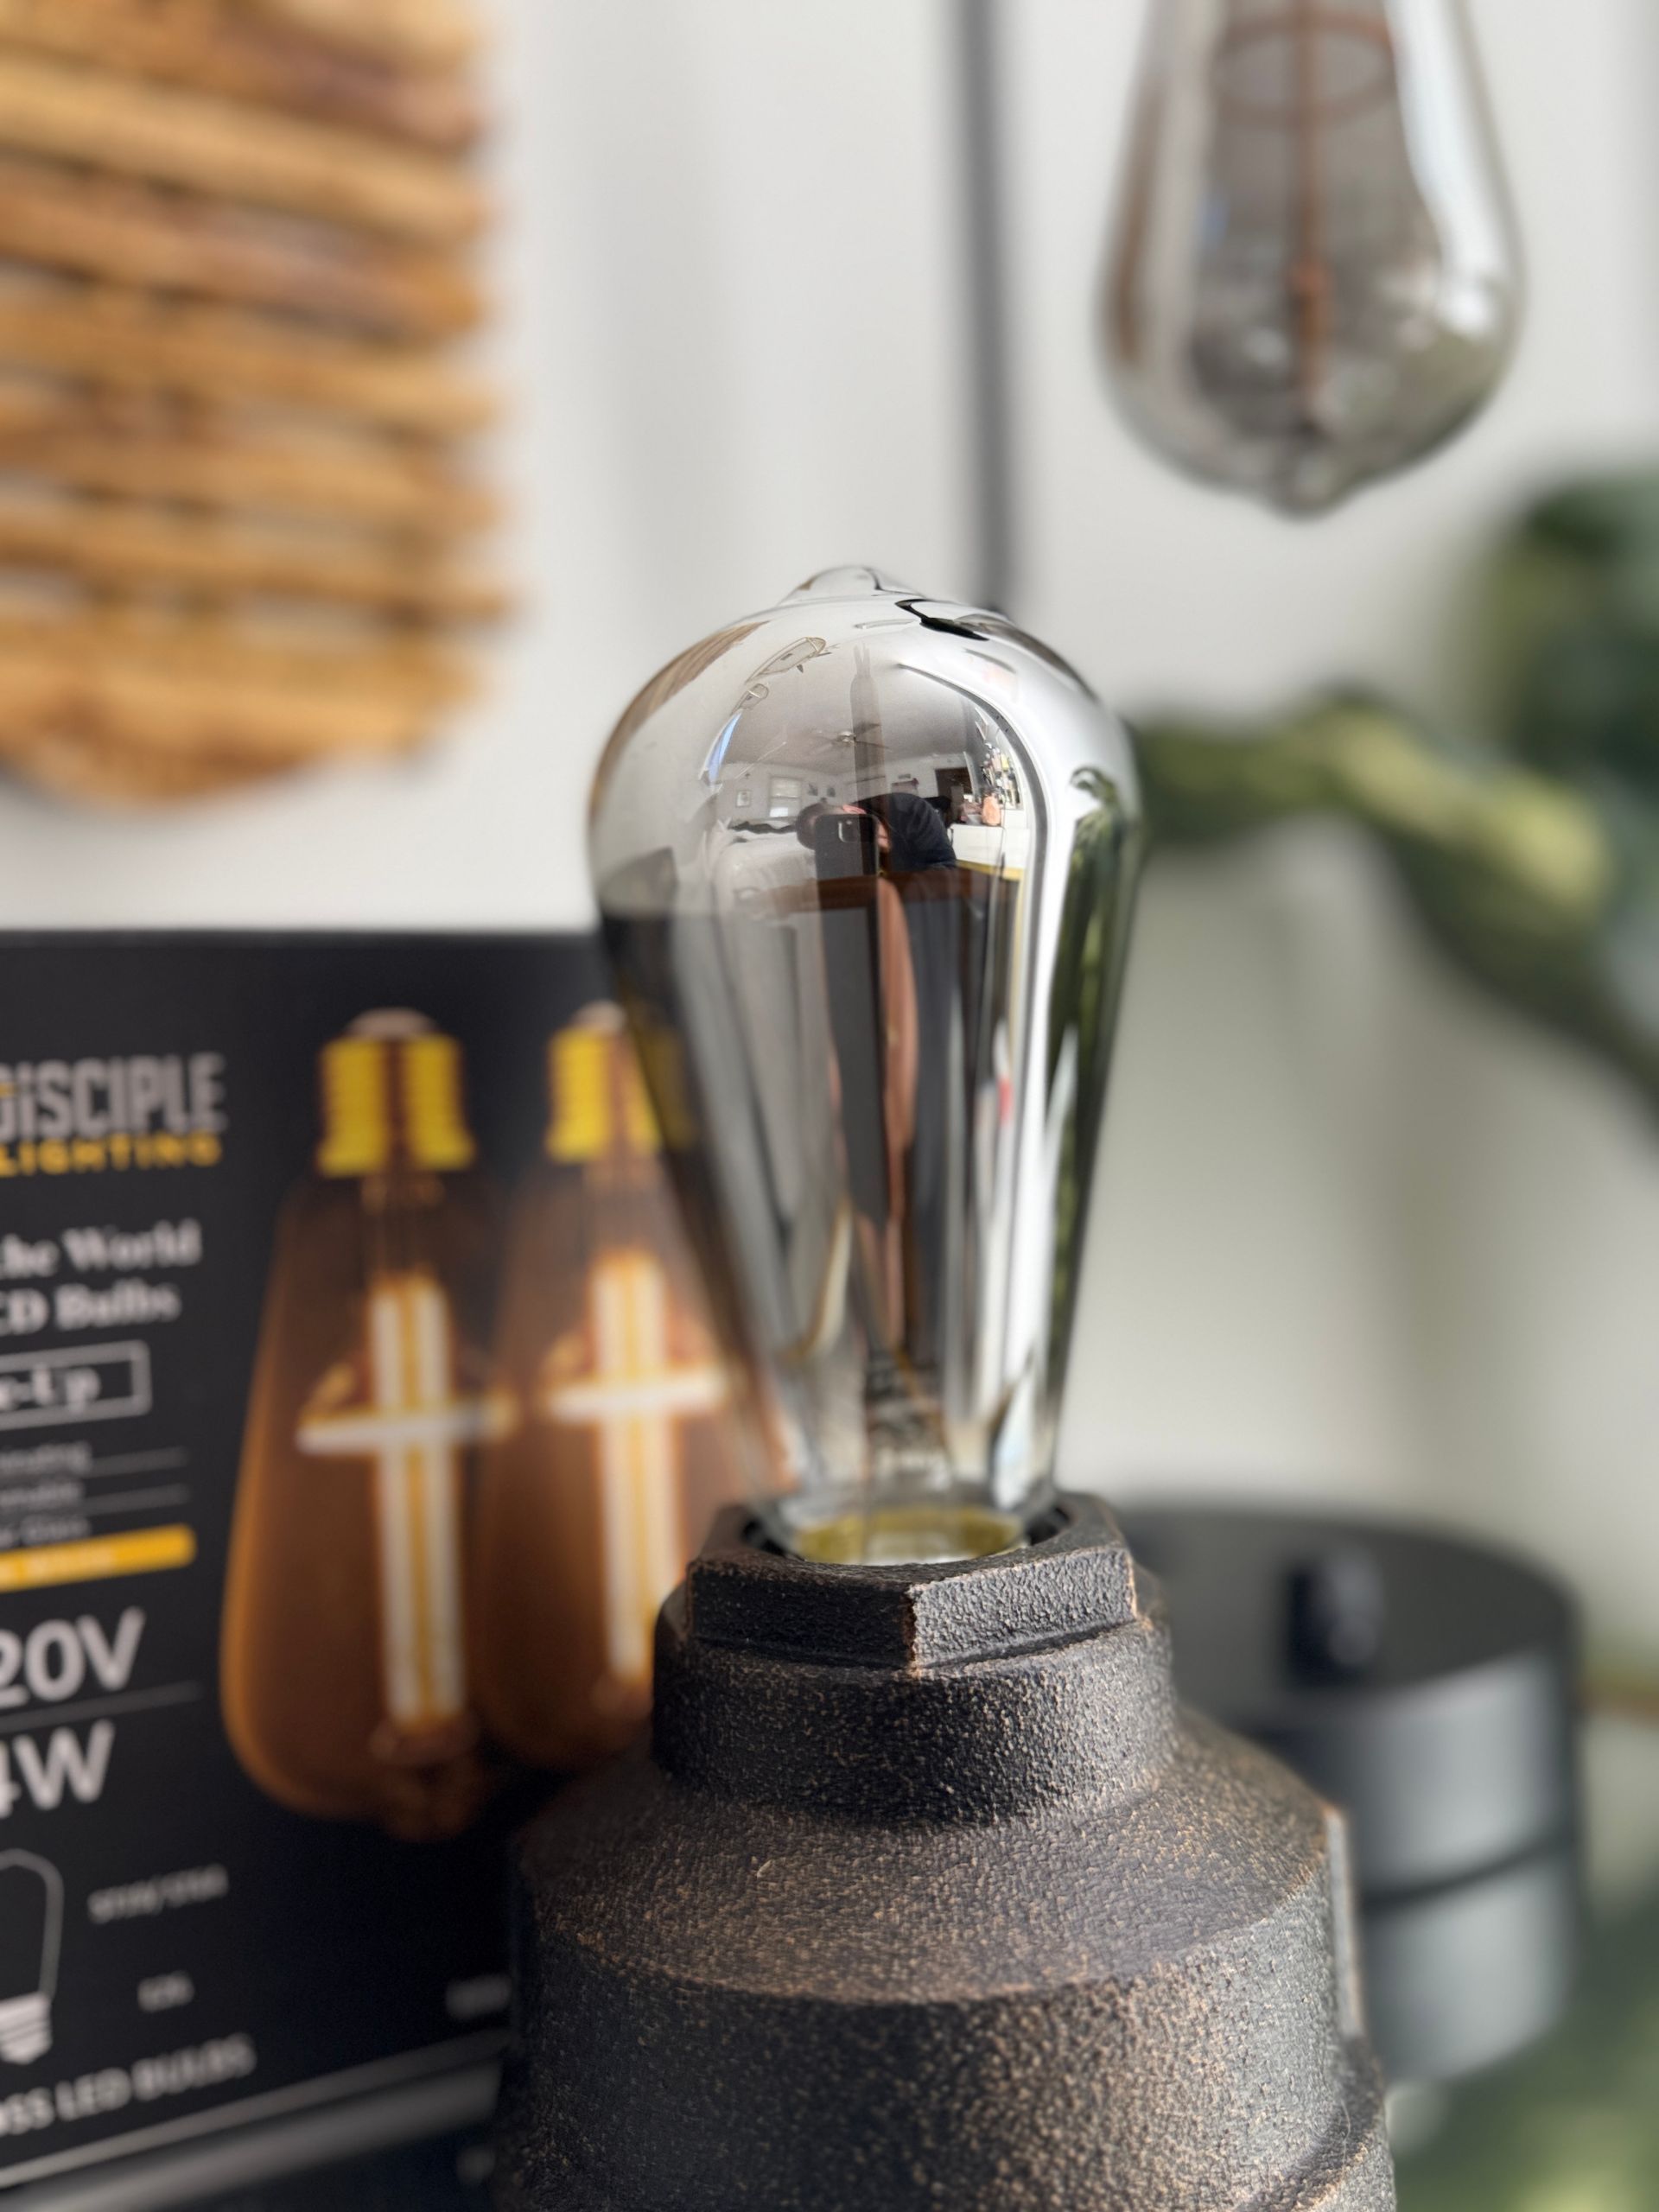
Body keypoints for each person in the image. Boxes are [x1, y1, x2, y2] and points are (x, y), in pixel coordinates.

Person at [795, 792, 957, 873]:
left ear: (854, 809)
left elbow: (948, 868)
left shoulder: (910, 809)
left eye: (851, 830)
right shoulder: (840, 856)